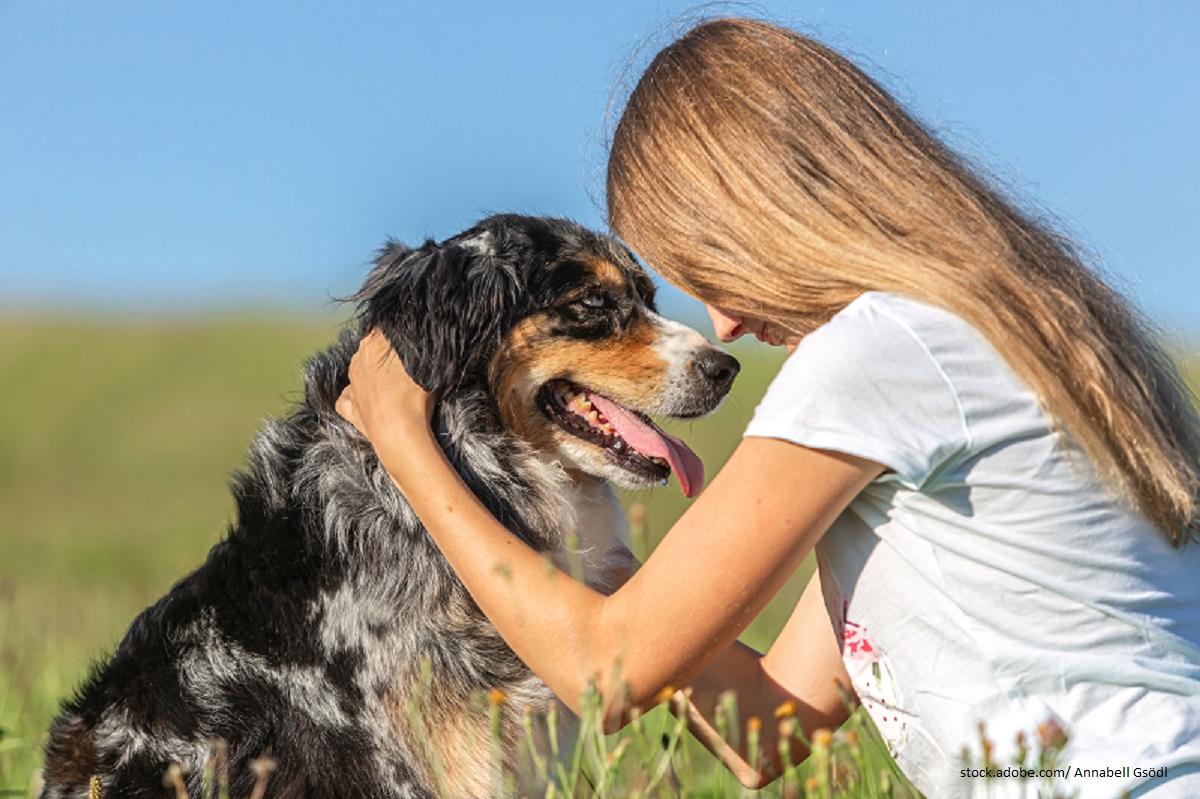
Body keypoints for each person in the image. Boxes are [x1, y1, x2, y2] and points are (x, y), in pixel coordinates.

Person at [336, 18, 1200, 799]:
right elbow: (770, 722)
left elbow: (604, 672)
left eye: (709, 268)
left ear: (772, 215)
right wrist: (622, 577)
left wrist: (404, 442)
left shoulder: (876, 354)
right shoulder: (976, 334)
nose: (723, 324)